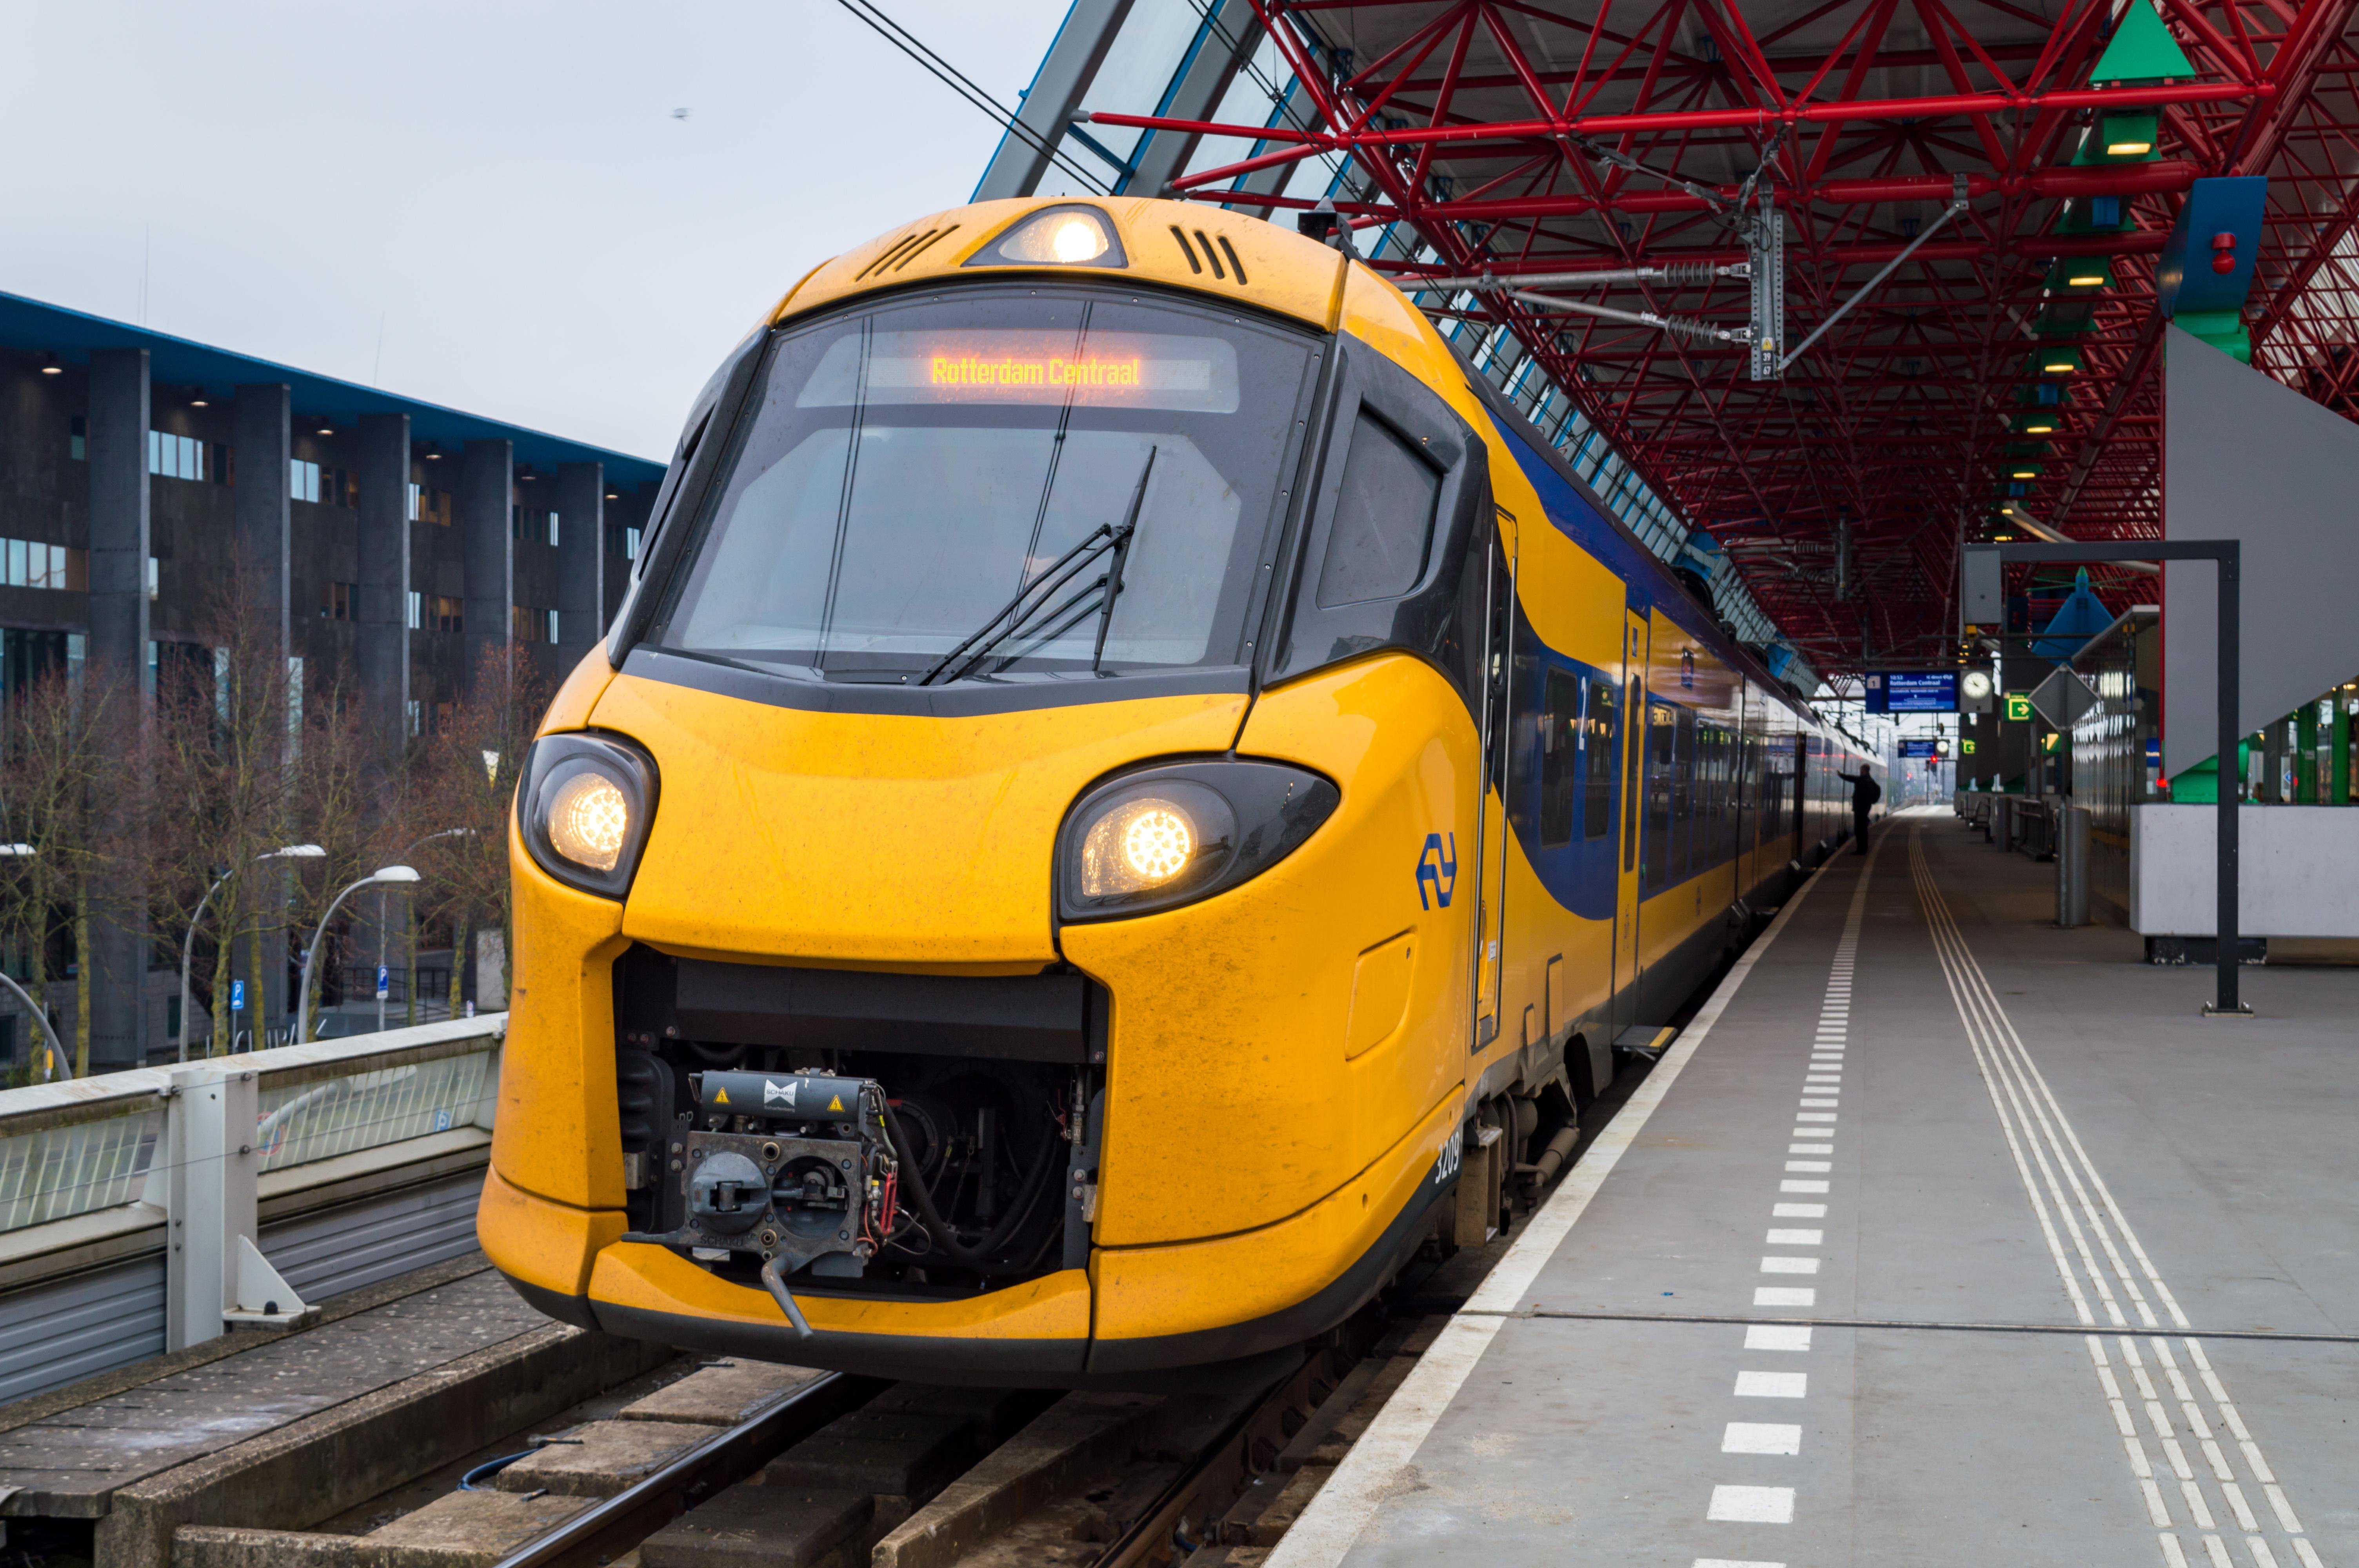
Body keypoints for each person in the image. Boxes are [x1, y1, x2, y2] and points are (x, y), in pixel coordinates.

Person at [1836, 764, 1881, 854]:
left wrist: (1841, 775)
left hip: (1860, 808)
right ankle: (1863, 848)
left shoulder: (1863, 780)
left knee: (1859, 829)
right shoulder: (1871, 781)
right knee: (1863, 829)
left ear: (1864, 770)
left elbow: (1852, 779)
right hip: (1865, 807)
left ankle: (1861, 849)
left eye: (1861, 770)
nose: (1860, 771)